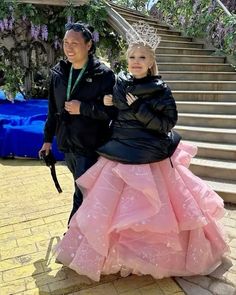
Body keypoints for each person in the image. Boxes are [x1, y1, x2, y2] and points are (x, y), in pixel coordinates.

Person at [54, 22, 229, 281]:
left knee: (156, 213)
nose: (136, 61)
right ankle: (121, 257)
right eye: (132, 57)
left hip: (150, 156)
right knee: (115, 215)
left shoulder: (161, 89)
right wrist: (101, 105)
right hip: (120, 154)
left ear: (151, 61)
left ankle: (155, 260)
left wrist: (139, 109)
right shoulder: (119, 83)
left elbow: (166, 124)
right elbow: (110, 115)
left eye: (142, 57)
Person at [39, 22, 116, 223]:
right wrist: (47, 140)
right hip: (67, 144)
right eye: (65, 42)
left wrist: (83, 108)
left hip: (91, 145)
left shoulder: (103, 74)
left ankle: (74, 234)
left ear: (89, 45)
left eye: (75, 42)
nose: (68, 47)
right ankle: (89, 234)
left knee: (83, 192)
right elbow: (52, 110)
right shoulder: (59, 73)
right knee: (82, 188)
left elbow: (111, 112)